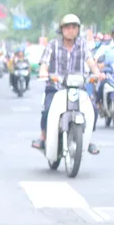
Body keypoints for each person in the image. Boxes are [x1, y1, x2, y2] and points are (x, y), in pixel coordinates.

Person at [32, 14, 101, 155]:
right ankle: (43, 138)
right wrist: (44, 71)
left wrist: (97, 73)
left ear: (78, 29)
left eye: (74, 27)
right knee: (47, 110)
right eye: (67, 27)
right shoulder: (53, 44)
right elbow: (44, 63)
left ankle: (87, 139)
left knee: (93, 109)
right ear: (62, 29)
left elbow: (90, 61)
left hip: (78, 88)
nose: (70, 30)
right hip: (56, 88)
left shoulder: (82, 44)